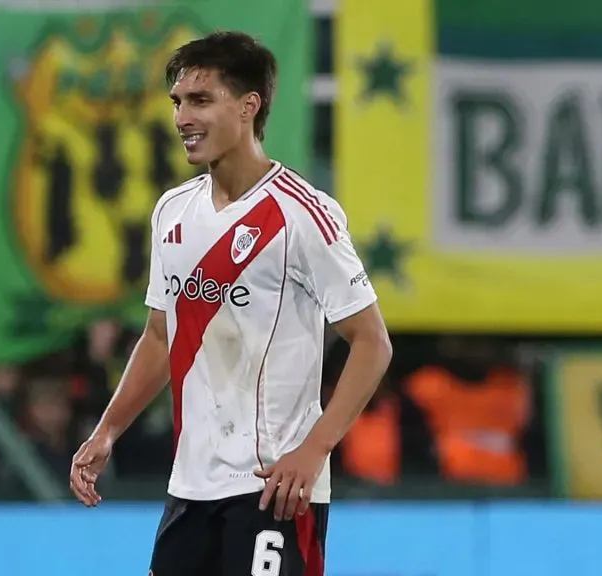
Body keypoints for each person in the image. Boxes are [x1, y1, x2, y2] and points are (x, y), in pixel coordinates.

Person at [69, 31, 392, 576]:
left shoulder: (302, 214)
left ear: (248, 106)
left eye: (200, 100)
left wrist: (314, 450)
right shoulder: (172, 211)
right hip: (191, 488)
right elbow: (160, 336)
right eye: (177, 102)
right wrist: (107, 430)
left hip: (276, 484)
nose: (182, 118)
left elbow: (372, 343)